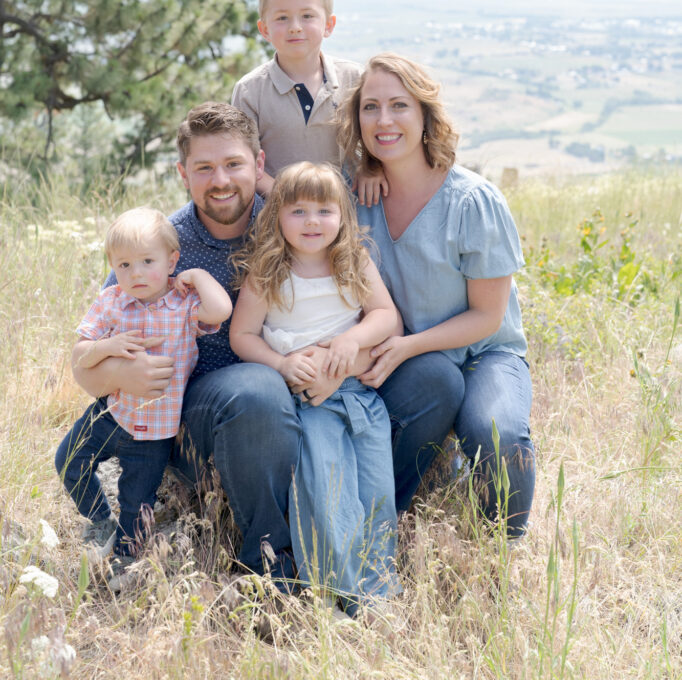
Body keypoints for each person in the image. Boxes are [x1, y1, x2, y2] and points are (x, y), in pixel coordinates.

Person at [70, 101, 461, 587]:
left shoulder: (297, 217)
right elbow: (85, 360)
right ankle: (272, 562)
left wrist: (345, 357)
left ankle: (362, 524)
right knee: (258, 389)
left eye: (233, 164)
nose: (221, 180)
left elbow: (379, 315)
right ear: (182, 173)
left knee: (436, 379)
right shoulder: (158, 246)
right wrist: (116, 374)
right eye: (204, 168)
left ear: (257, 165)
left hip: (326, 382)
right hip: (214, 410)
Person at [338, 53, 536, 538]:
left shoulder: (473, 200)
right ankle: (376, 526)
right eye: (370, 107)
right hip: (405, 362)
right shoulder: (350, 199)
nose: (383, 120)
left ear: (426, 115)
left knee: (498, 434)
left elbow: (488, 317)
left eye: (400, 106)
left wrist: (408, 345)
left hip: (481, 354)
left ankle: (502, 547)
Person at [230, 162, 401, 614]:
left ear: (343, 215)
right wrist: (282, 364)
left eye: (324, 211)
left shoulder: (352, 261)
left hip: (359, 398)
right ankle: (337, 594)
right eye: (298, 211)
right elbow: (242, 336)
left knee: (376, 491)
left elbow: (387, 317)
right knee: (327, 494)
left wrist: (352, 339)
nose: (312, 222)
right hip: (308, 402)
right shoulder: (268, 270)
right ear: (276, 216)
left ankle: (379, 590)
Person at [55, 207, 232, 577]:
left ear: (172, 261)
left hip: (155, 429)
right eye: (123, 265)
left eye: (147, 262)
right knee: (69, 461)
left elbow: (221, 310)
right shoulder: (112, 301)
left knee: (137, 503)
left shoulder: (183, 304)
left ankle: (124, 561)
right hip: (111, 412)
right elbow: (81, 353)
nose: (135, 274)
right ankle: (100, 520)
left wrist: (198, 276)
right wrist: (108, 346)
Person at [231, 0, 385, 204]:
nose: (295, 26)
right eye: (282, 18)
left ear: (329, 25)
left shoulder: (354, 78)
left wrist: (372, 167)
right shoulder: (250, 90)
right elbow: (243, 162)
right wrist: (289, 200)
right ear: (264, 29)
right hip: (278, 215)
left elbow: (376, 136)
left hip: (347, 211)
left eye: (307, 16)